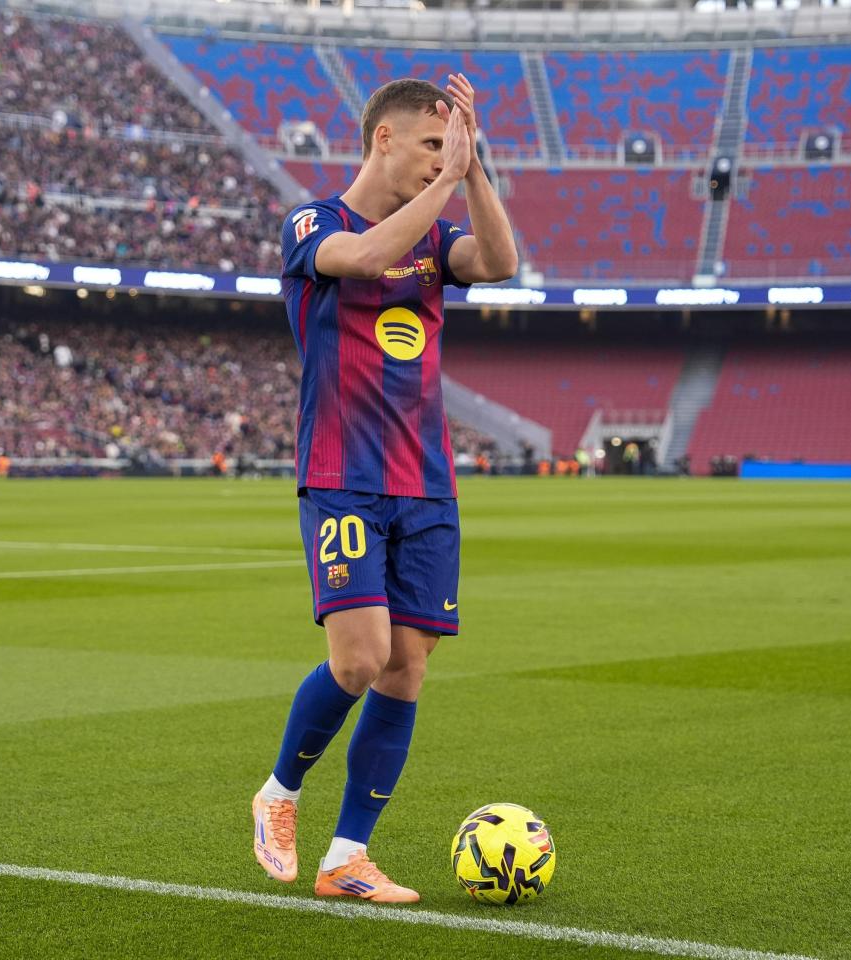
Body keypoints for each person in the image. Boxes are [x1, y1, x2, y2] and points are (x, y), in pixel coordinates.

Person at [253, 73, 517, 904]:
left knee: (406, 668)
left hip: (427, 487)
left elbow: (503, 262)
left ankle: (347, 859)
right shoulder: (314, 223)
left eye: (453, 145)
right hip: (343, 476)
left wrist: (472, 176)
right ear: (384, 141)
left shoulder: (439, 241)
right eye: (434, 144)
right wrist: (446, 182)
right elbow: (364, 257)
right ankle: (279, 794)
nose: (446, 158)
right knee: (360, 658)